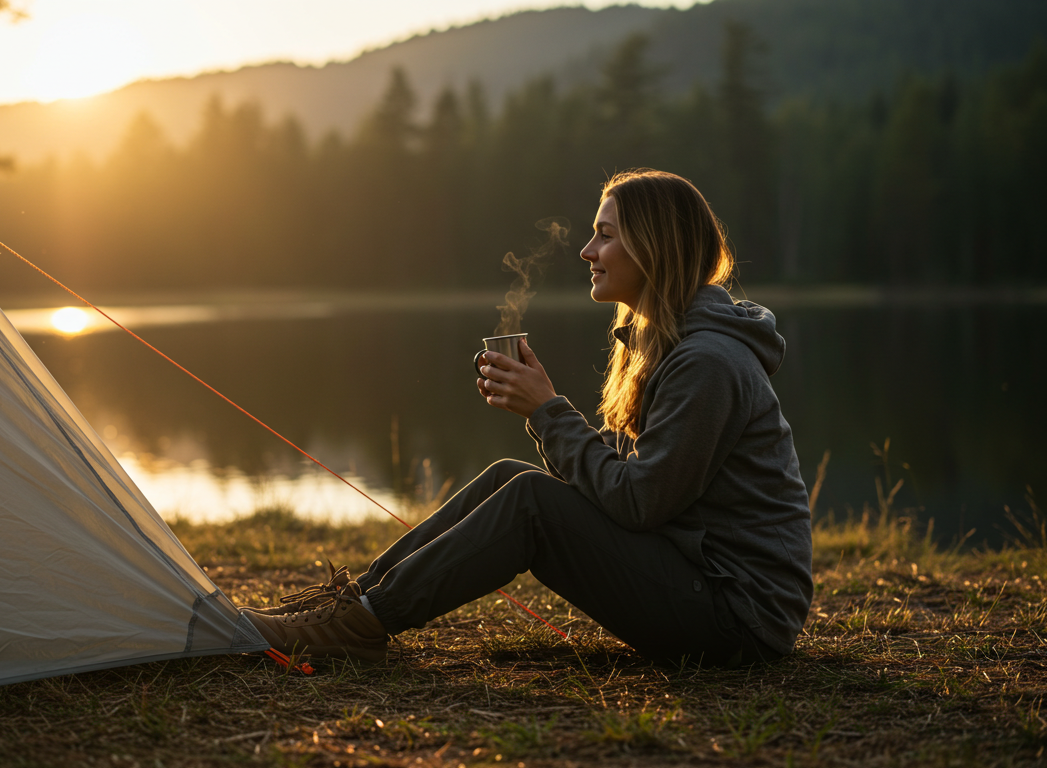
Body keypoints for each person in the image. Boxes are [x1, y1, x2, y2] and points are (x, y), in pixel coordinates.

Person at [243, 169, 813, 667]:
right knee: (508, 477)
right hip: (701, 581)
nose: (587, 251)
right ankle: (351, 607)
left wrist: (547, 410)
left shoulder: (708, 362)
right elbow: (632, 479)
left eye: (605, 235)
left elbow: (639, 502)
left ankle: (360, 625)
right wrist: (544, 412)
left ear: (654, 247)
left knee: (531, 503)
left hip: (739, 616)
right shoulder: (674, 344)